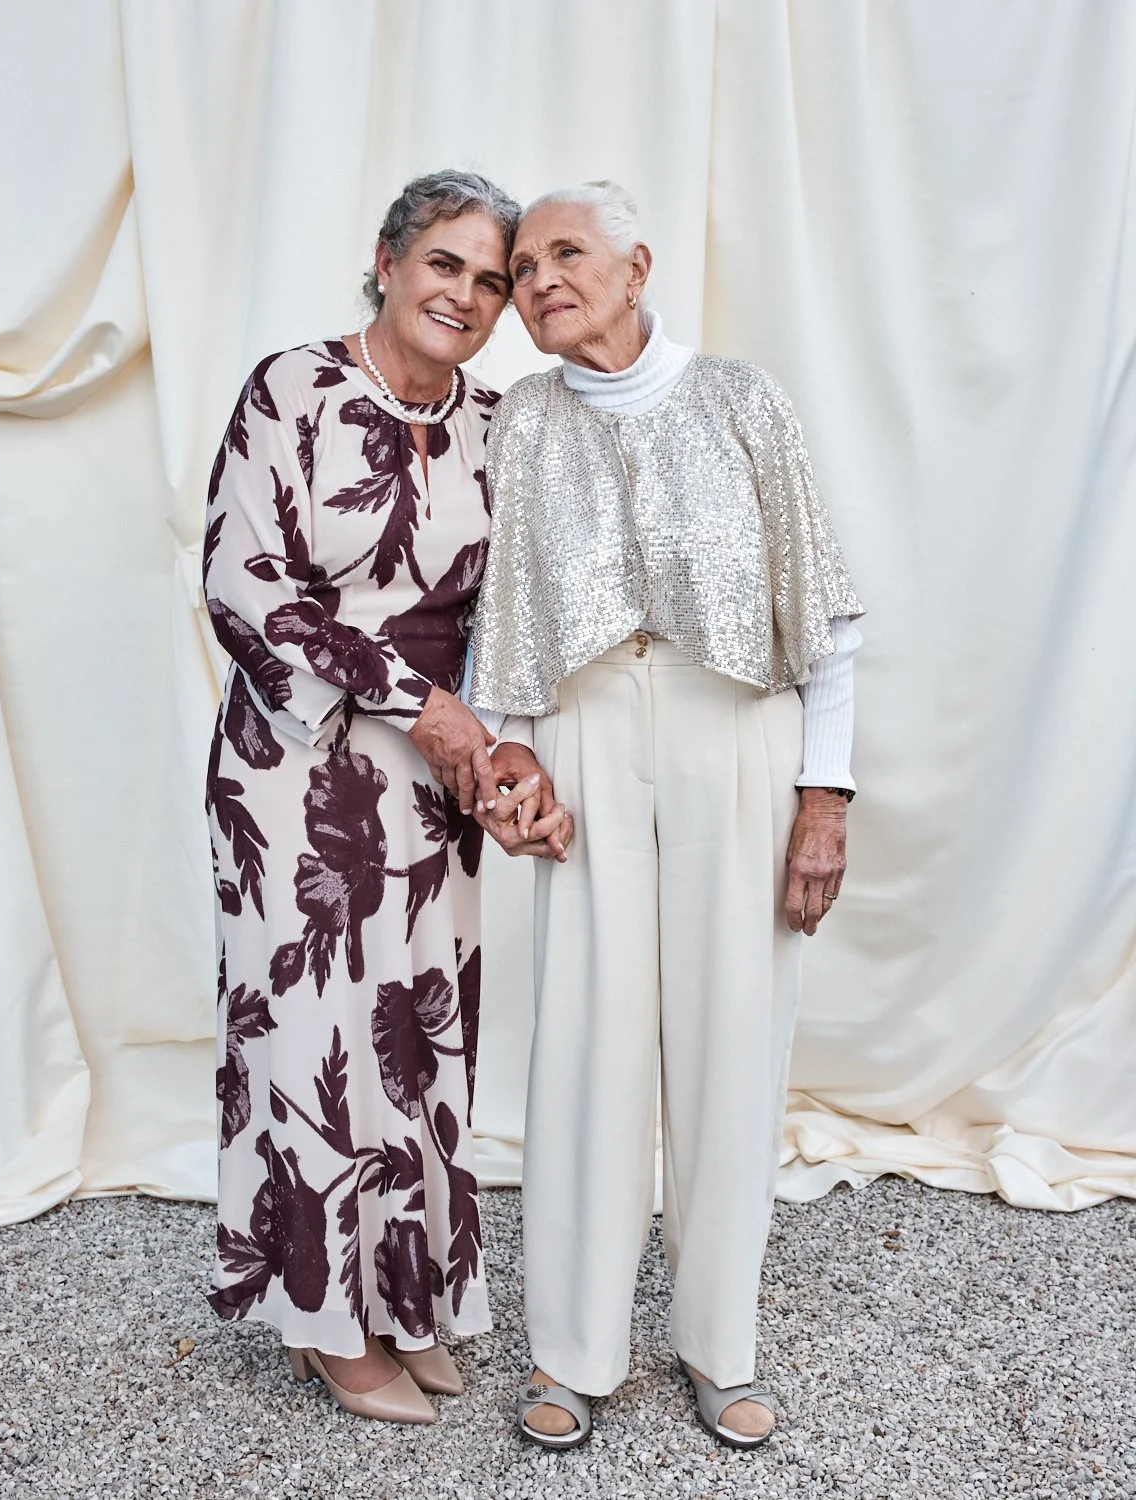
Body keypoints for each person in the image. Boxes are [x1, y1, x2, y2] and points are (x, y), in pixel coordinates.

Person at [471, 182, 864, 1451]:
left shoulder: (742, 397)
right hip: (583, 732)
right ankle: (570, 1353)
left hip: (735, 726)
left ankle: (720, 1346)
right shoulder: (523, 420)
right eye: (521, 267)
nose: (537, 282)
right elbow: (509, 616)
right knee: (583, 1035)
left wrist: (825, 795)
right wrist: (517, 763)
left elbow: (826, 619)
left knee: (729, 1033)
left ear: (639, 266)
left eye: (565, 254)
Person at [203, 170, 571, 1427]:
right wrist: (421, 705)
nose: (464, 295)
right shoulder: (290, 388)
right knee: (313, 1041)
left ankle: (407, 1295)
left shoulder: (496, 421)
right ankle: (324, 1319)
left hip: (435, 789)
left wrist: (500, 749)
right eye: (444, 266)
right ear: (388, 261)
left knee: (416, 1042)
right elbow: (247, 587)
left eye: (489, 278)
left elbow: (504, 611)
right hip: (295, 774)